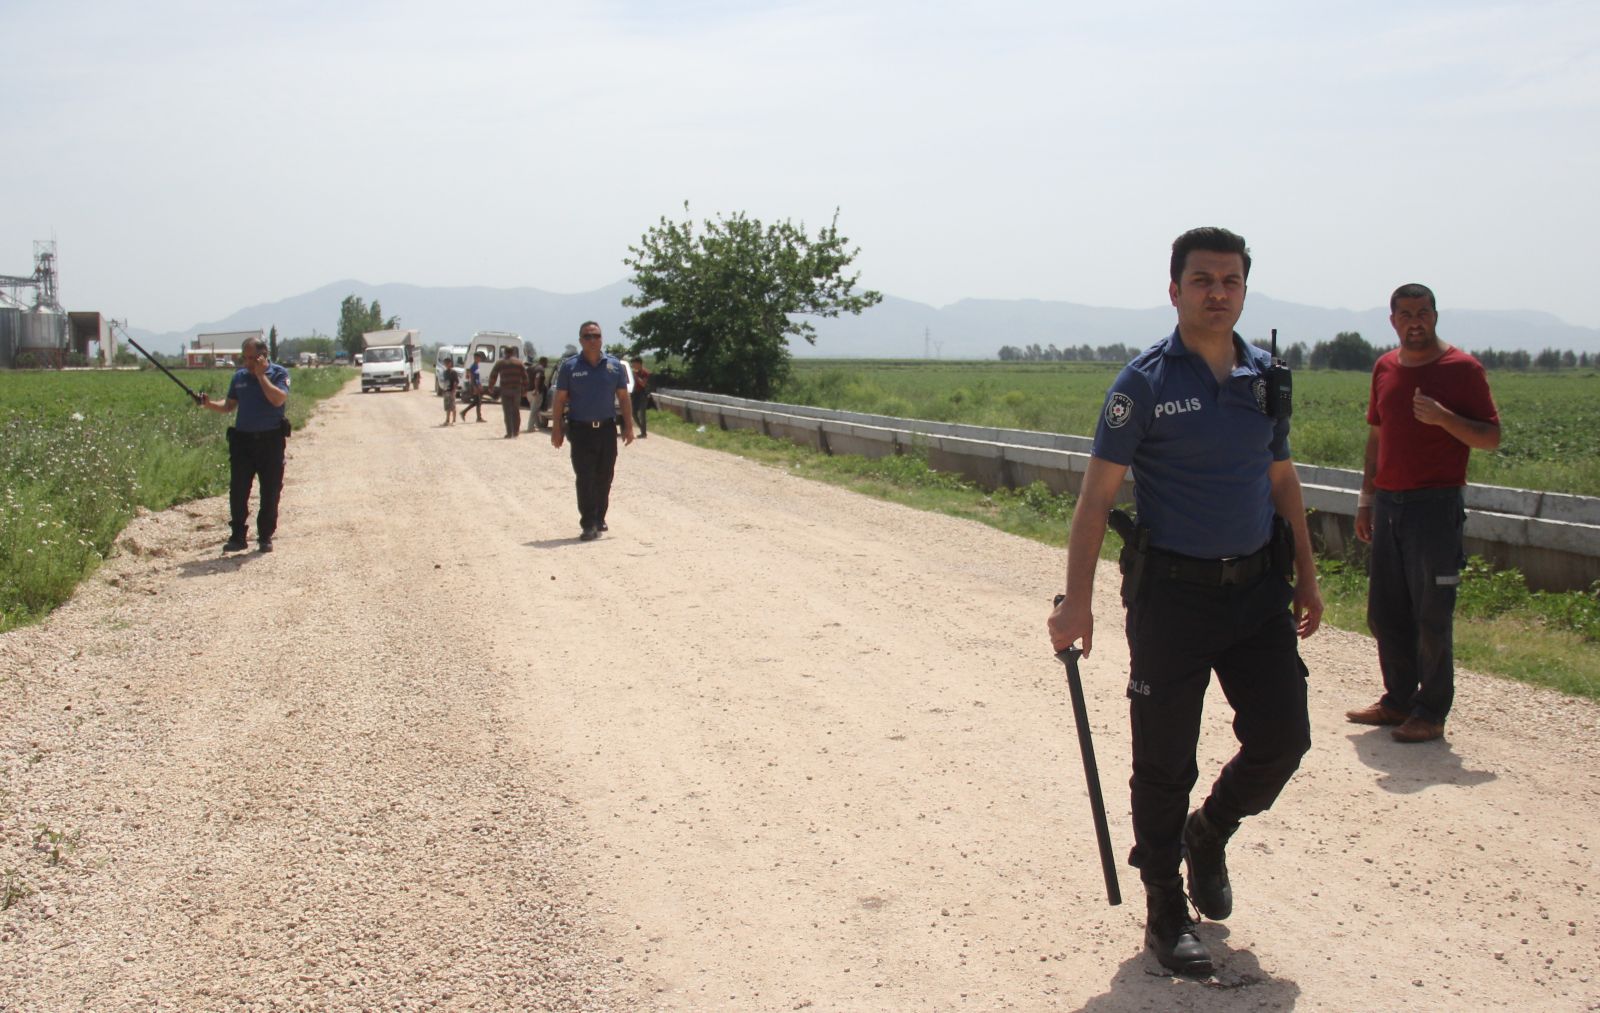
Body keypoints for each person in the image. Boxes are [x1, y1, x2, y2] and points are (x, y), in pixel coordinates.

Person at [1046, 227, 1322, 977]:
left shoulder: (1266, 378)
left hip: (1256, 593)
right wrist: (1080, 601)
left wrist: (1307, 570)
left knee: (1283, 737)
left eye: (1230, 280)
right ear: (1175, 291)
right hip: (1172, 597)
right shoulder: (1145, 384)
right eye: (1202, 280)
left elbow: (1282, 480)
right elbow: (1096, 500)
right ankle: (1165, 903)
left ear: (1242, 290)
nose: (1217, 292)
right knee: (1164, 759)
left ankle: (1211, 830)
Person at [1346, 284, 1501, 743]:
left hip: (1435, 506)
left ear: (1435, 315)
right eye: (1406, 314)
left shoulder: (1462, 369)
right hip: (1390, 503)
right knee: (1385, 611)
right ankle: (1397, 702)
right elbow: (1376, 438)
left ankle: (1430, 712)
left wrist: (1444, 419)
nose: (1416, 321)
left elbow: (1490, 436)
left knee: (1432, 615)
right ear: (1393, 321)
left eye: (1423, 312)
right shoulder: (1385, 367)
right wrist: (1366, 499)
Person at [200, 335, 290, 553]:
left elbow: (278, 399)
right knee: (238, 490)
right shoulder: (239, 377)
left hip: (270, 441)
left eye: (251, 358)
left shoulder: (278, 374)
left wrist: (261, 377)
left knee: (270, 490)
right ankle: (238, 536)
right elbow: (229, 406)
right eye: (245, 358)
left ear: (263, 356)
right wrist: (209, 404)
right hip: (243, 441)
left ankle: (265, 536)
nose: (247, 363)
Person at [550, 321, 634, 541]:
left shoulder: (614, 366)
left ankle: (599, 516)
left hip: (606, 429)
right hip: (580, 430)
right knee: (585, 476)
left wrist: (628, 426)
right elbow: (559, 400)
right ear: (580, 340)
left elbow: (624, 398)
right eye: (587, 336)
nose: (592, 340)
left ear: (601, 339)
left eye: (596, 335)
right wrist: (556, 428)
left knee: (604, 476)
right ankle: (588, 523)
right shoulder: (570, 367)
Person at [488, 346, 528, 438]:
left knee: (507, 412)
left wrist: (491, 387)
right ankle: (516, 431)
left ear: (505, 352)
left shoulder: (500, 363)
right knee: (516, 411)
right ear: (513, 352)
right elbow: (525, 377)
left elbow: (493, 375)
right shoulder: (519, 363)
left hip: (505, 390)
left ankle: (509, 433)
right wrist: (525, 390)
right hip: (516, 390)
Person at [461, 350, 487, 422]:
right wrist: (476, 387)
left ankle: (477, 416)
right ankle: (465, 413)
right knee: (477, 401)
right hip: (474, 386)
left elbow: (477, 377)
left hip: (476, 385)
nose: (480, 359)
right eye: (479, 358)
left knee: (477, 402)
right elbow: (473, 378)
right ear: (476, 358)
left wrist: (479, 384)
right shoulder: (474, 366)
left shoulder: (476, 366)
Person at [629, 356, 652, 438]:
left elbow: (643, 384)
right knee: (633, 413)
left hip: (643, 394)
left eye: (634, 364)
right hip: (636, 394)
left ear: (639, 363)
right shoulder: (635, 372)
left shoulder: (645, 373)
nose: (633, 365)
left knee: (642, 414)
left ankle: (643, 432)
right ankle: (642, 429)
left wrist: (635, 376)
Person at [526, 355, 549, 431]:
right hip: (535, 392)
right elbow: (537, 378)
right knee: (534, 410)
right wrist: (536, 389)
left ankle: (538, 425)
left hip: (529, 391)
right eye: (546, 362)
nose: (547, 364)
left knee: (534, 409)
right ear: (543, 362)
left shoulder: (531, 368)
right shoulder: (540, 369)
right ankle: (530, 427)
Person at [440, 356, 460, 426]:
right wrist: (443, 390)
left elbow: (456, 382)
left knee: (453, 406)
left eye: (447, 363)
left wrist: (454, 390)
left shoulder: (453, 372)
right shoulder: (445, 372)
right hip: (446, 391)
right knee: (447, 406)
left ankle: (454, 419)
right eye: (445, 363)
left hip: (452, 391)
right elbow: (445, 382)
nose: (446, 365)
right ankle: (447, 419)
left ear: (450, 364)